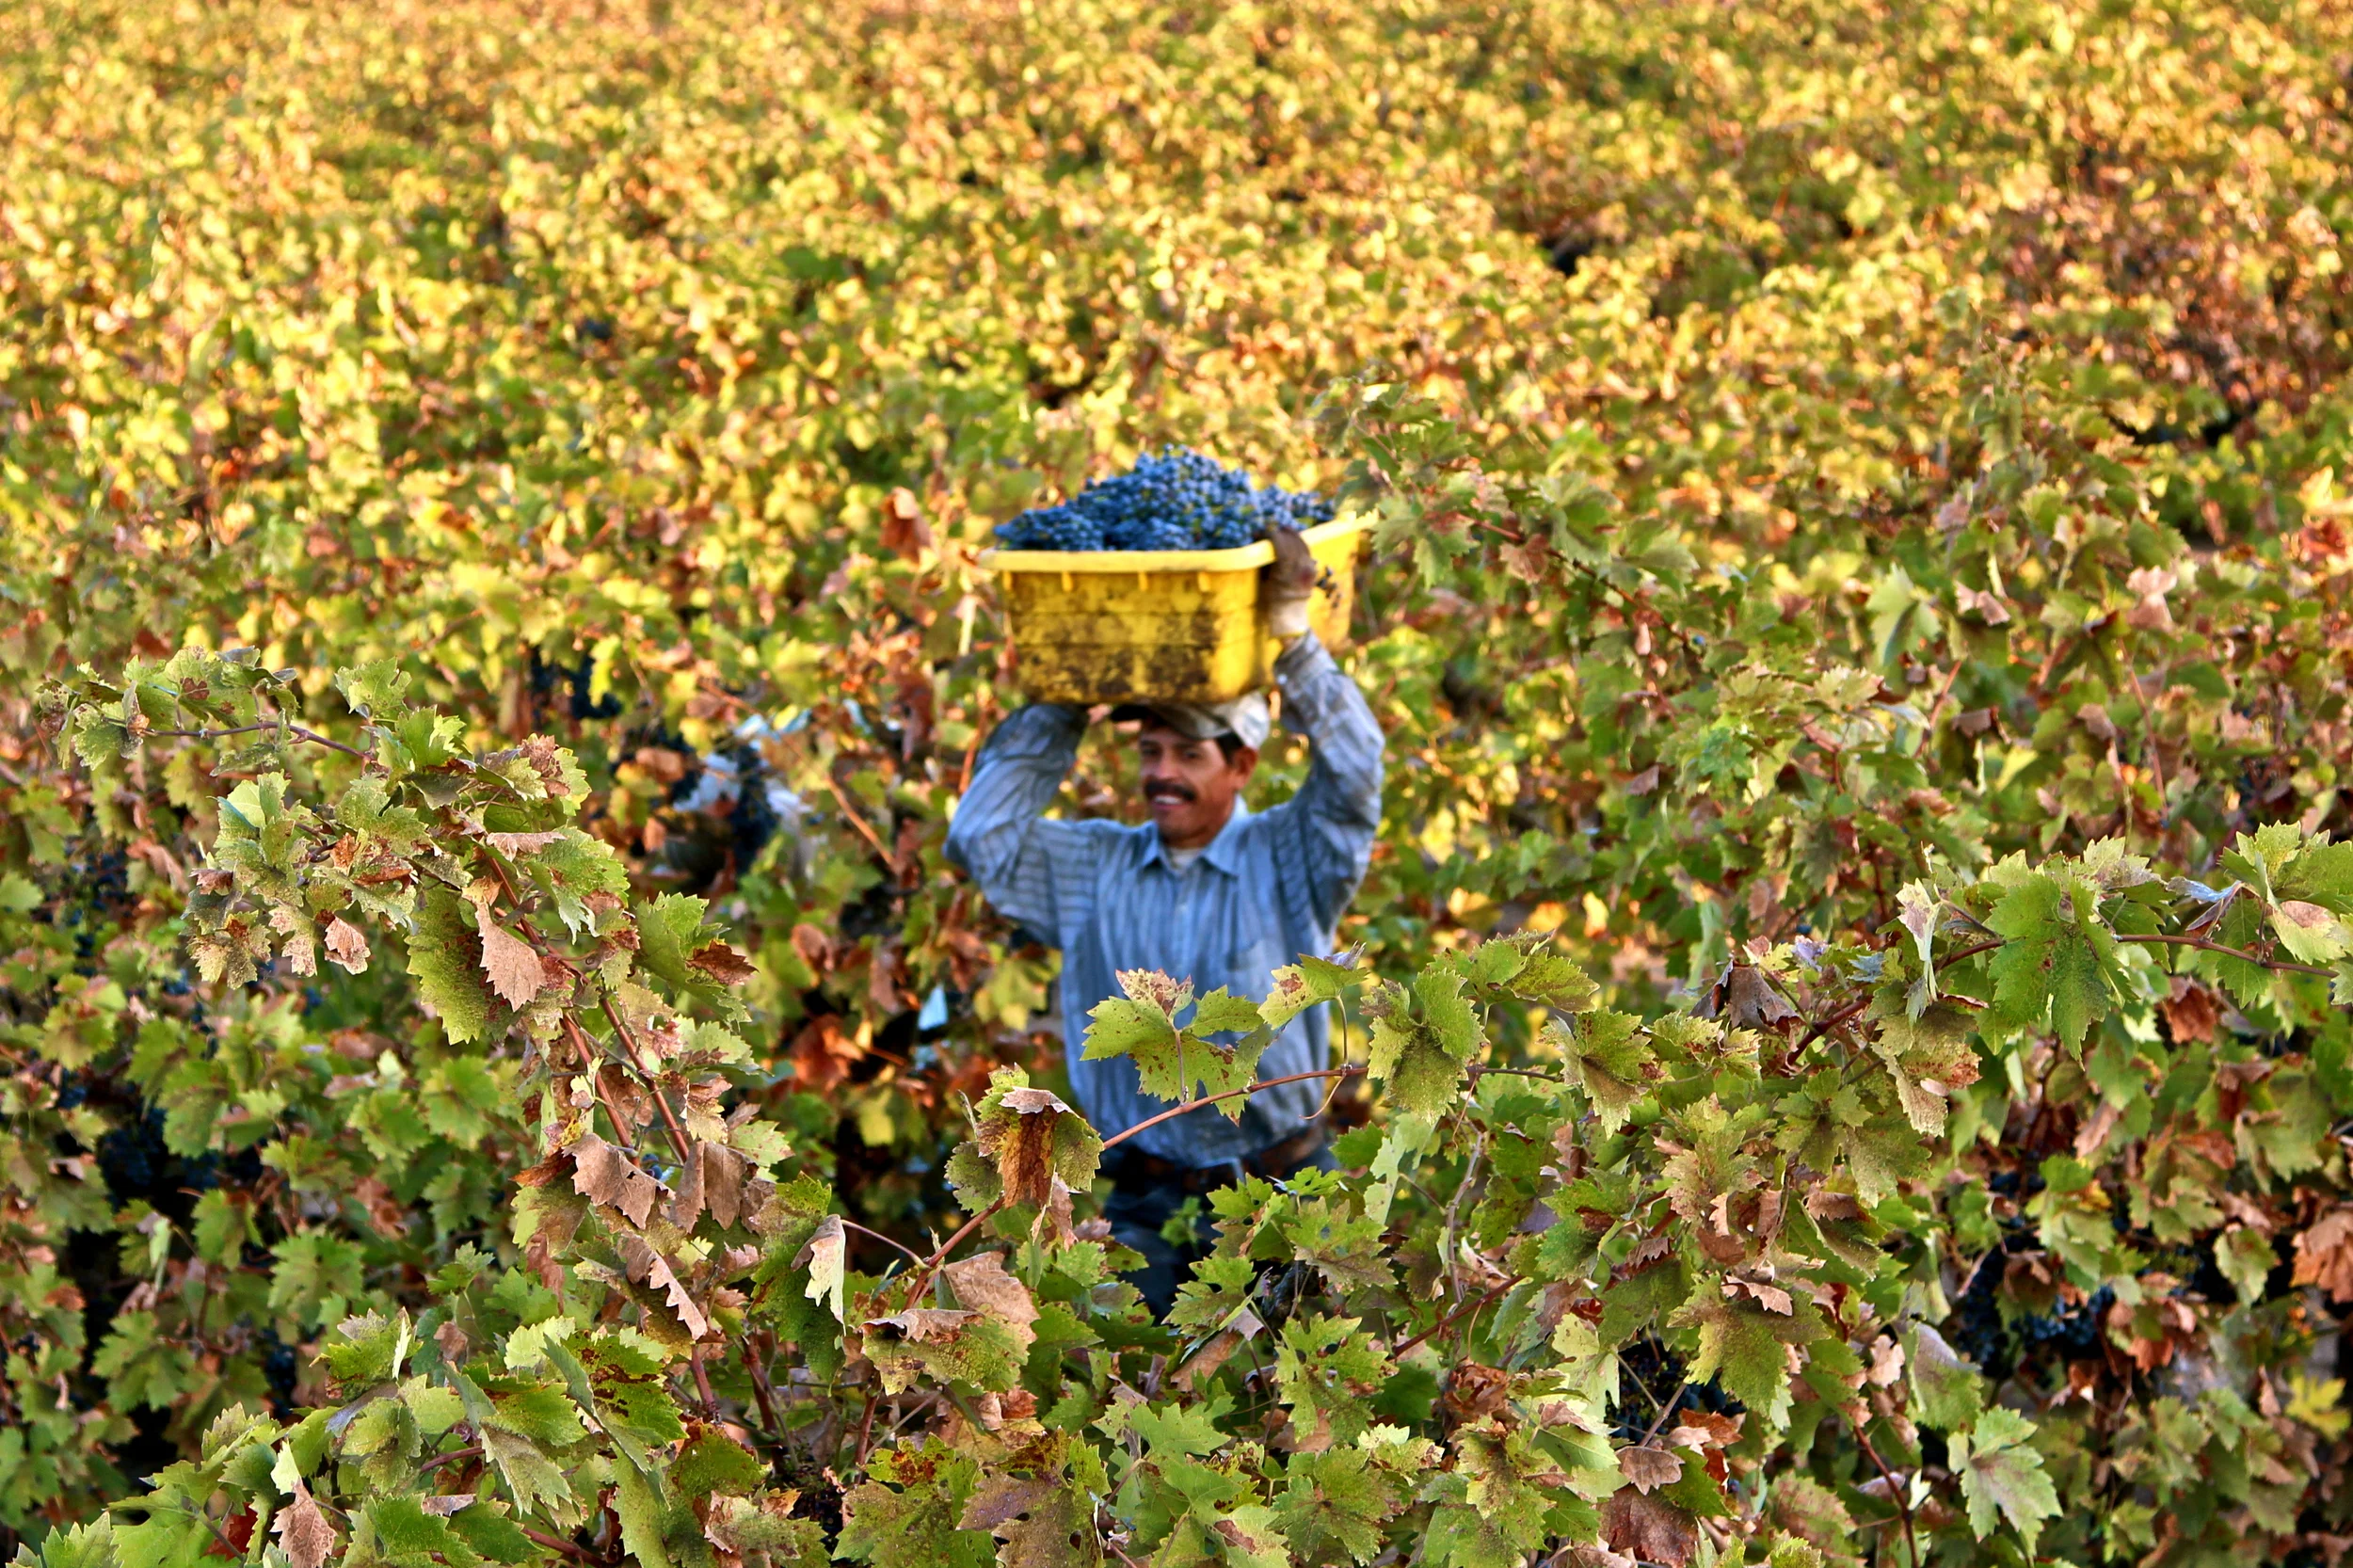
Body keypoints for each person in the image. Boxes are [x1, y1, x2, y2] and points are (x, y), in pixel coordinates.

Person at [943, 529, 1385, 1312]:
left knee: (1296, 1408)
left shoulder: (1291, 858)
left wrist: (1292, 636)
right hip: (1136, 1207)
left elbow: (1353, 774)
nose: (1162, 774)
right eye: (1150, 751)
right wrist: (1065, 692)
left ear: (1242, 764)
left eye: (1188, 754)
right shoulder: (1093, 868)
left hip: (1280, 1200)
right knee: (1135, 1401)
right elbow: (983, 837)